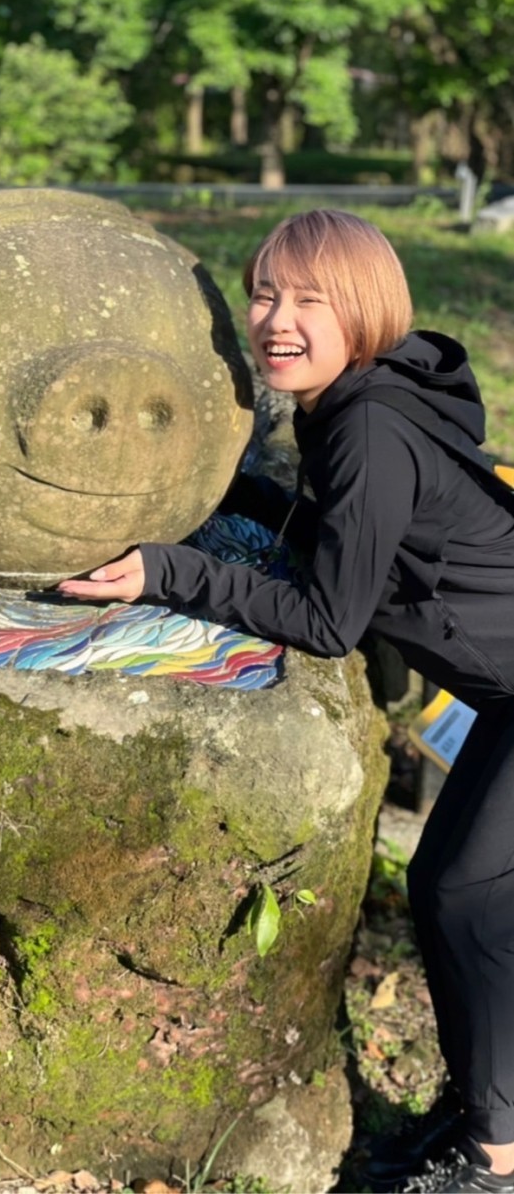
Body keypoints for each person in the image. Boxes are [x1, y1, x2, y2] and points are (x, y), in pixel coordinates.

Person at [58, 209, 514, 1194]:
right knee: (465, 894)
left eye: (311, 299)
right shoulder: (353, 405)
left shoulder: (367, 425)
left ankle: (494, 1158)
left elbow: (325, 618)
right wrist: (238, 494)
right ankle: (491, 1102)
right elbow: (345, 532)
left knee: (462, 892)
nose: (277, 318)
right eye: (266, 291)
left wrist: (166, 571)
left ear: (364, 312)